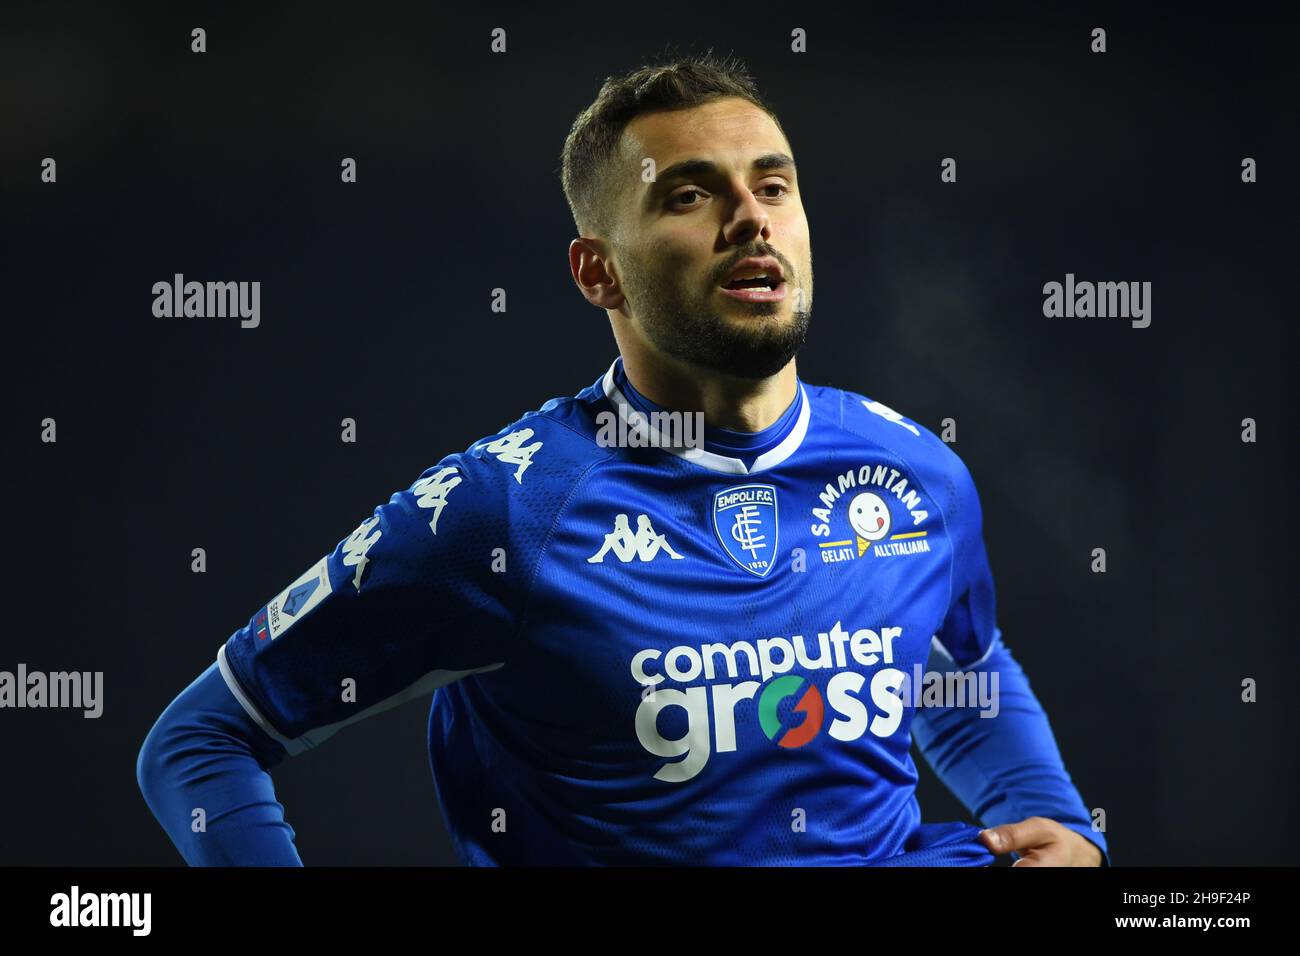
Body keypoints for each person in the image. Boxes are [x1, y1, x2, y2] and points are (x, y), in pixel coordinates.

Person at [138, 52, 1106, 866]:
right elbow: (200, 741)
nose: (750, 218)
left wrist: (1056, 821)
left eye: (773, 185)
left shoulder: (911, 472)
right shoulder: (501, 512)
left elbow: (960, 670)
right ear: (598, 269)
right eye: (691, 195)